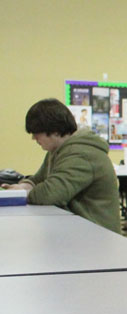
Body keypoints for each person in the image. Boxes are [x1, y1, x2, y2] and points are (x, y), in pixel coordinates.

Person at [1, 98, 120, 233]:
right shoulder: (57, 150)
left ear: (55, 131)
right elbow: (39, 179)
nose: (34, 138)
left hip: (98, 236)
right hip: (78, 231)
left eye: (36, 133)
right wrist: (23, 186)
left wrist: (22, 193)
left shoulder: (82, 154)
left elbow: (51, 194)